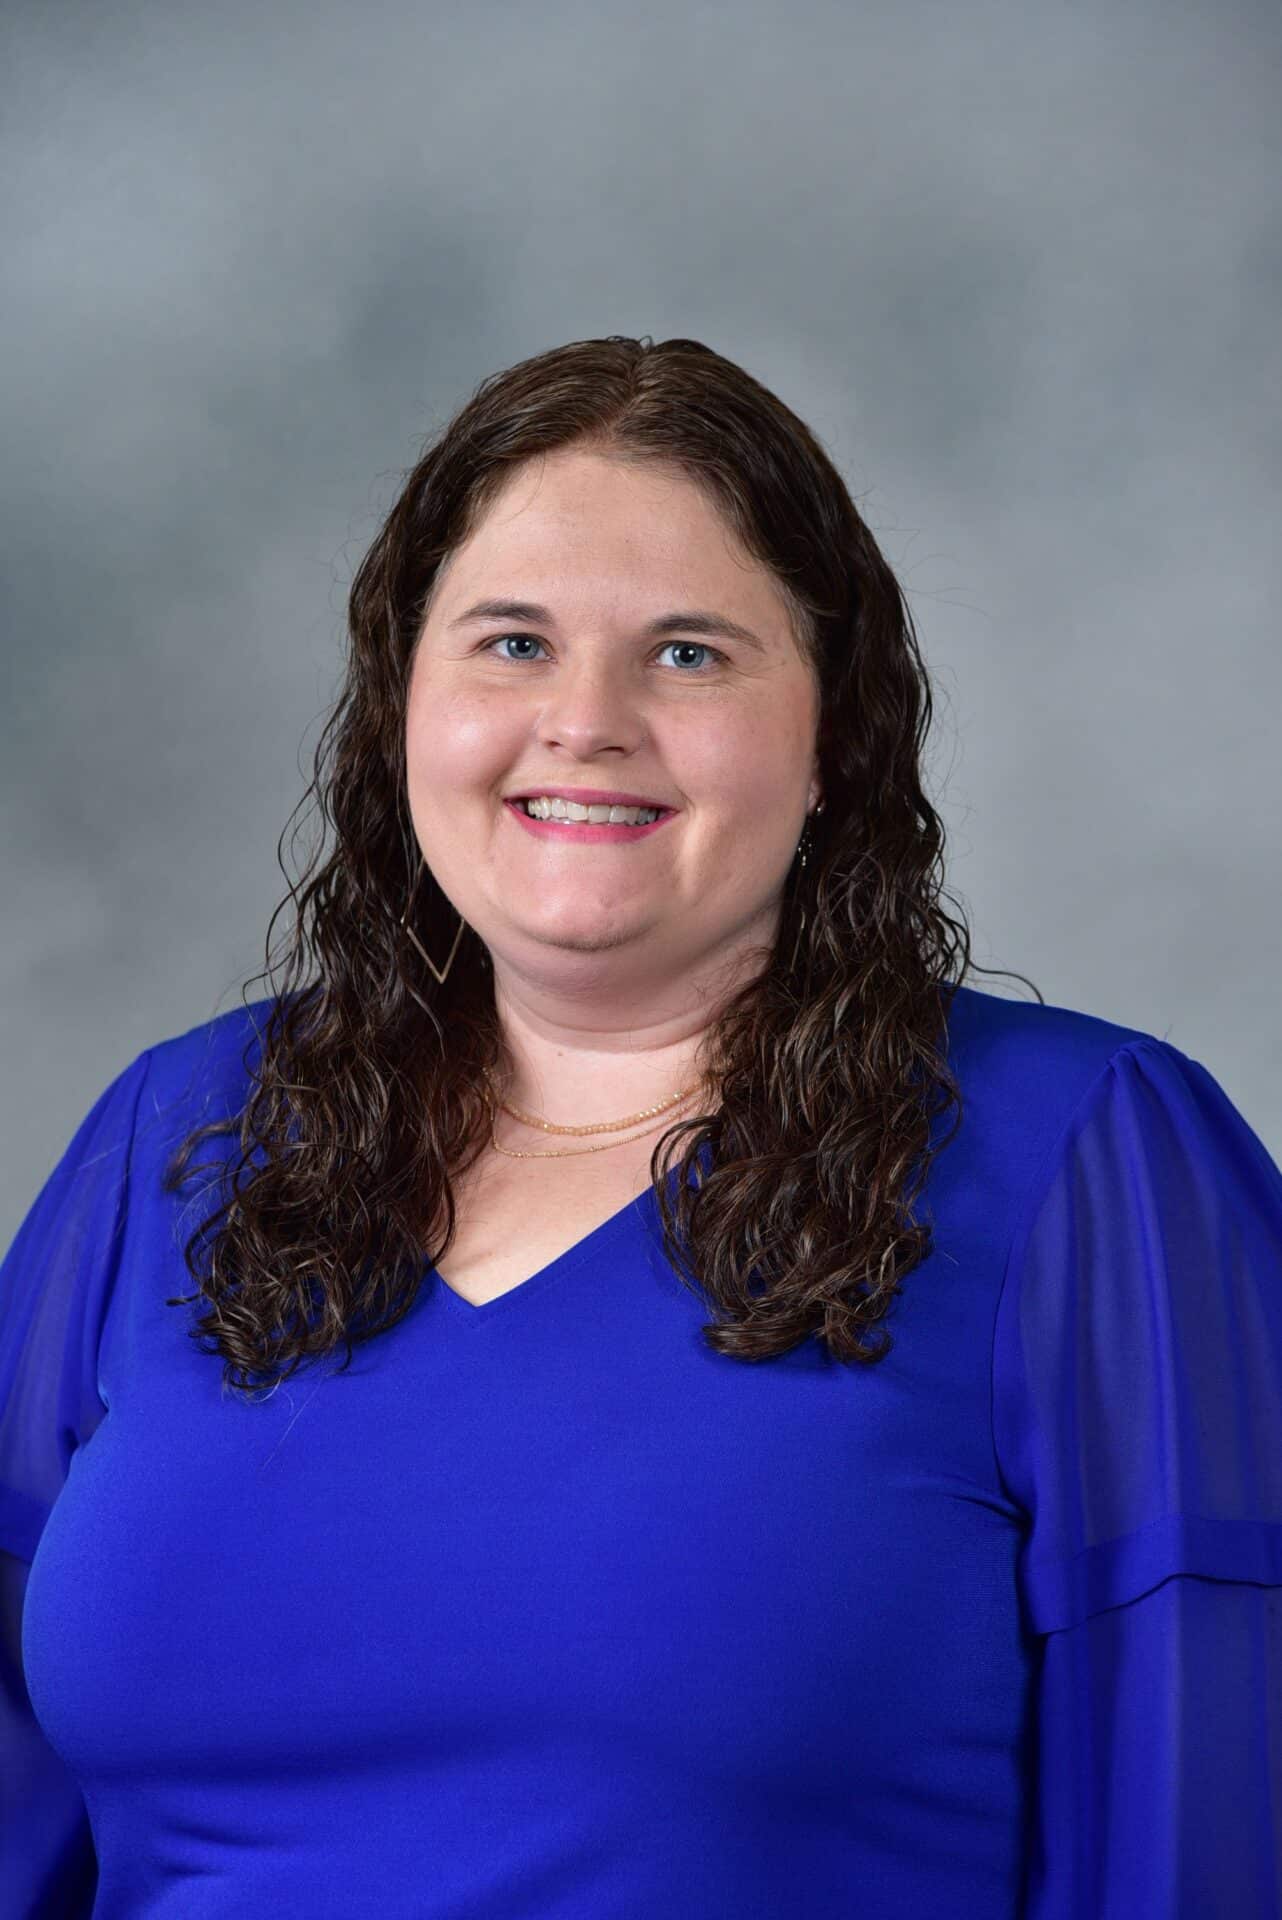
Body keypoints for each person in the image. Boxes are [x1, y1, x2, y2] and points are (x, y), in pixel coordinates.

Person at [2, 334, 1279, 1918]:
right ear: (404, 704)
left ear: (834, 738)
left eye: (688, 653)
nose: (585, 720)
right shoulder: (171, 1143)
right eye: (512, 643)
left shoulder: (1090, 1158)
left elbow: (1208, 1830)